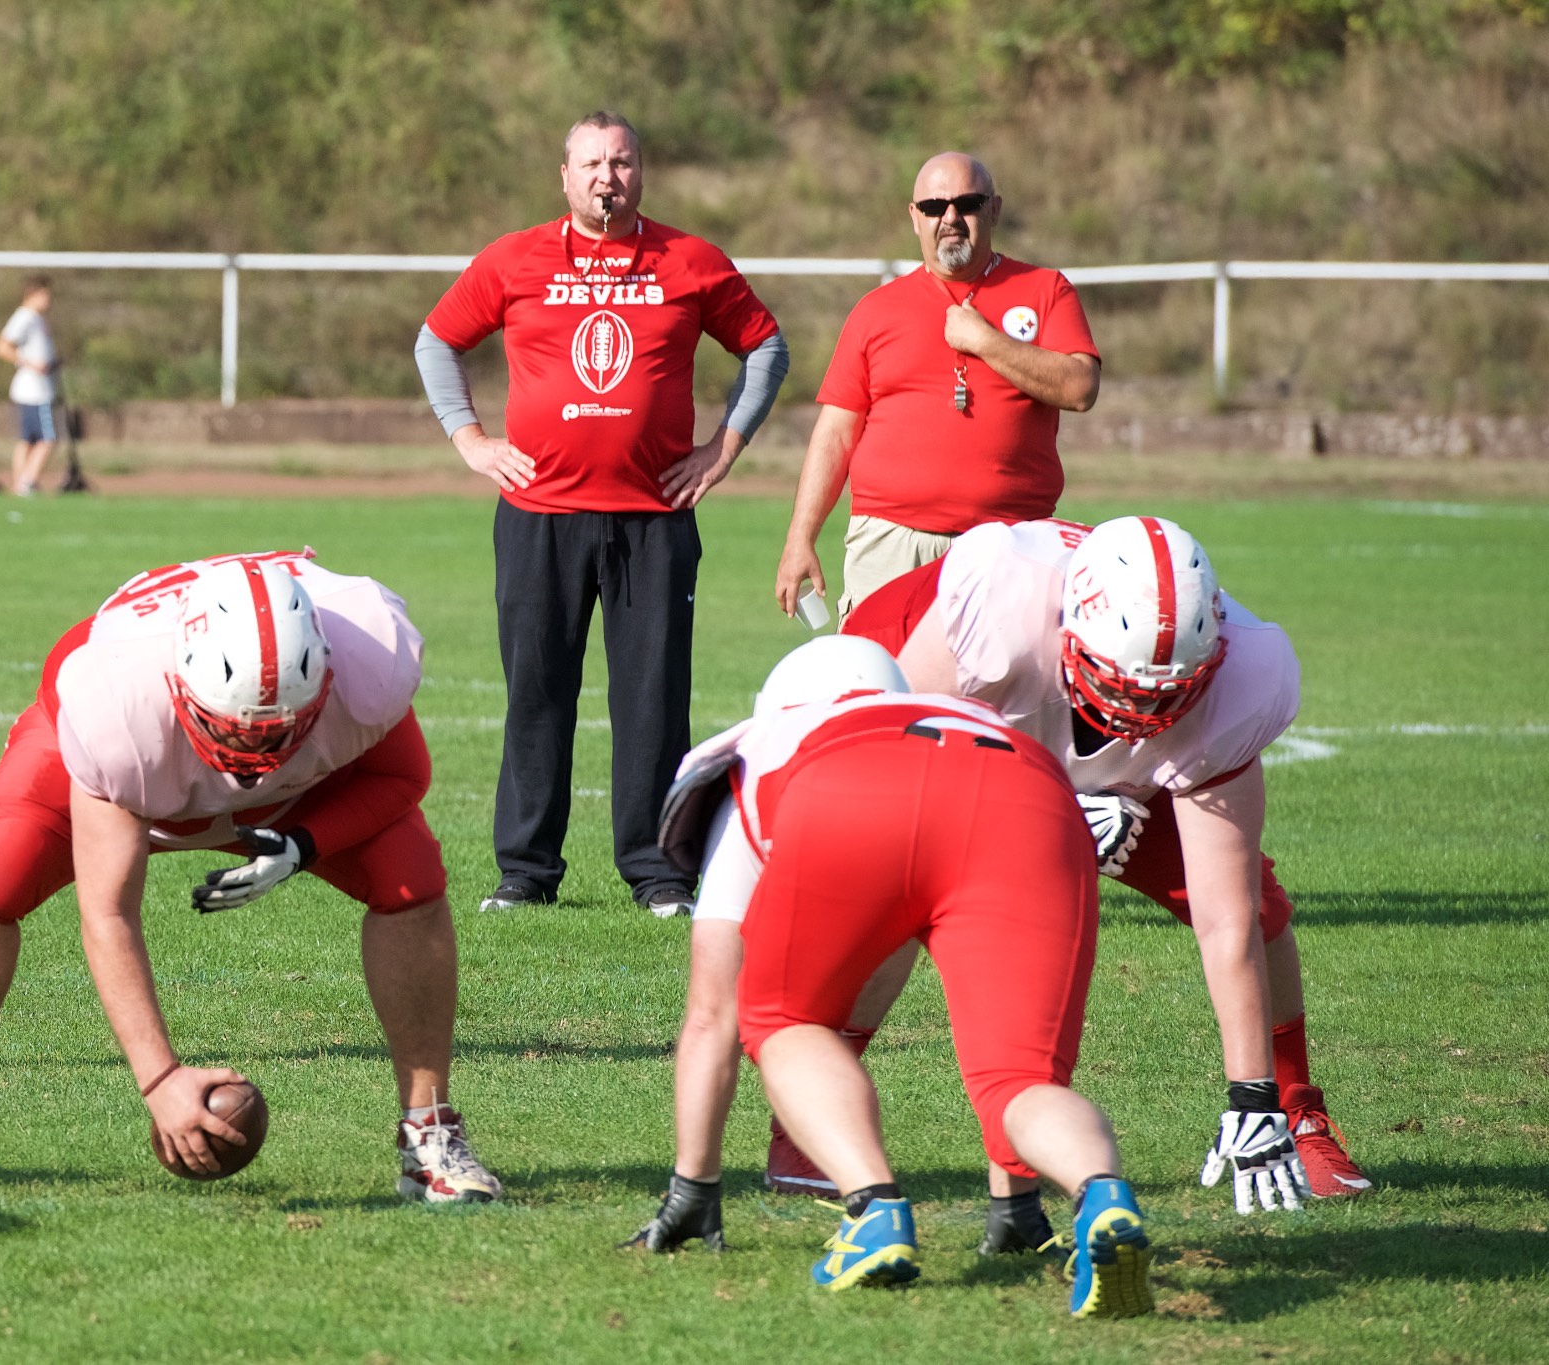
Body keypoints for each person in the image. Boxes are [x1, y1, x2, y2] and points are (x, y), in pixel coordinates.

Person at [0, 551, 502, 1206]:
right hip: (139, 766)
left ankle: (429, 1131)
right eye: (237, 733)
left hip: (286, 795)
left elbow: (402, 779)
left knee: (411, 876)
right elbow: (108, 912)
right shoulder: (115, 702)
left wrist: (305, 843)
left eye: (278, 734)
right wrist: (159, 1077)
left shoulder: (372, 654)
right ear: (180, 681)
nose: (254, 761)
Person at [837, 515, 1367, 1208]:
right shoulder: (998, 602)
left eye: (1162, 695)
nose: (1134, 713)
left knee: (1257, 907)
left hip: (1077, 745)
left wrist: (1253, 1093)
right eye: (1121, 686)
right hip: (943, 703)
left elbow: (1226, 919)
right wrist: (1041, 816)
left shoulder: (1245, 675)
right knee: (898, 888)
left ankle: (1294, 1113)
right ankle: (819, 1104)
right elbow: (913, 784)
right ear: (1071, 629)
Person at [629, 638, 1157, 1319]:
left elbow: (712, 1013)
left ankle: (873, 1208)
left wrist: (693, 1187)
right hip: (1029, 796)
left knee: (785, 1020)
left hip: (849, 789)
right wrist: (1013, 1203)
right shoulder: (961, 713)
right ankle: (1100, 1195)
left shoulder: (771, 738)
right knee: (1019, 1078)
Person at [416, 110, 790, 919]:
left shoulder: (689, 260)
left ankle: (658, 873)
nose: (605, 177)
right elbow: (436, 340)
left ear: (641, 174)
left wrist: (723, 447)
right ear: (564, 175)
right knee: (537, 691)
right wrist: (472, 441)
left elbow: (766, 347)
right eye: (590, 163)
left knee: (653, 697)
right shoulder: (514, 258)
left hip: (652, 518)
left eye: (620, 163)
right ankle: (525, 871)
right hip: (537, 515)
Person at [773, 152, 1101, 622]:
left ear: (994, 210)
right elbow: (836, 433)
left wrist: (988, 342)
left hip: (1011, 545)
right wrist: (799, 540)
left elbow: (1080, 388)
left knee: (1002, 694)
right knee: (888, 688)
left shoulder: (1046, 290)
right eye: (933, 207)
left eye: (966, 203)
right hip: (891, 546)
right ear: (915, 217)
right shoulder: (876, 310)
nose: (950, 218)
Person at [0, 275, 56, 496]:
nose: (49, 300)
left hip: (33, 389)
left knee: (27, 439)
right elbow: (1, 346)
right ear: (34, 294)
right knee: (48, 439)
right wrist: (29, 363)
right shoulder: (25, 317)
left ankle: (20, 485)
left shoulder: (36, 319)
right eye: (46, 295)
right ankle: (27, 483)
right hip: (34, 390)